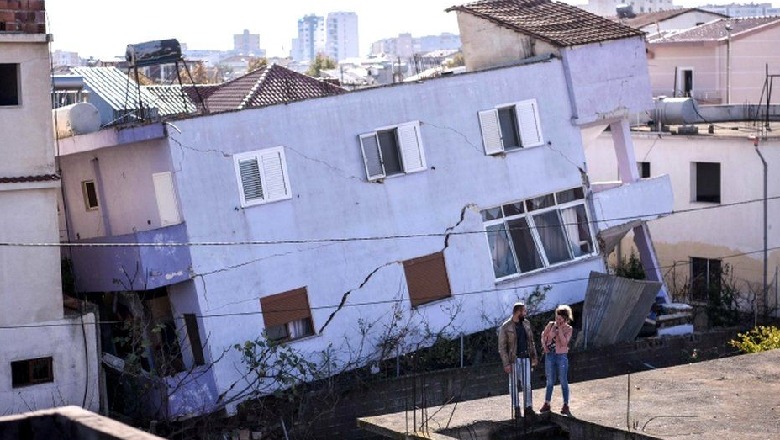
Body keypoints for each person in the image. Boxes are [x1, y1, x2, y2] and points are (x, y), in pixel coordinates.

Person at [498, 301, 538, 420]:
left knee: (527, 384)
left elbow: (531, 341)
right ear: (518, 312)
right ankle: (516, 409)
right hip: (513, 360)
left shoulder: (526, 323)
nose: (525, 313)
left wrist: (534, 356)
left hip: (526, 358)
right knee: (514, 385)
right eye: (524, 311)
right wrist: (506, 363)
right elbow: (502, 347)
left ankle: (528, 408)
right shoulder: (506, 326)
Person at [539, 304, 574, 415]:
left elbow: (564, 342)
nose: (557, 320)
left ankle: (565, 404)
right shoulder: (550, 325)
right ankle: (547, 403)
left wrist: (559, 330)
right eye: (556, 318)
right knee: (550, 380)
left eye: (560, 319)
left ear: (565, 318)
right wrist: (544, 346)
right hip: (550, 355)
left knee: (563, 380)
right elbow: (543, 336)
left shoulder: (568, 329)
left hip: (561, 355)